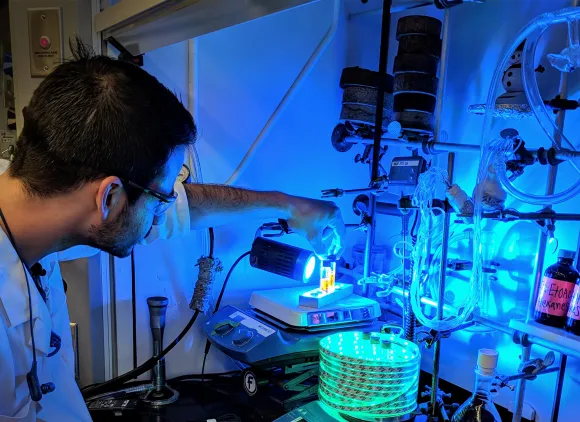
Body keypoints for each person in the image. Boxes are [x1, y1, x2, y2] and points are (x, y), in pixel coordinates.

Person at [0, 41, 345, 421]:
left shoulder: (38, 204)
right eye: (160, 199)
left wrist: (290, 205)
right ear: (109, 196)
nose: (165, 212)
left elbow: (185, 204)